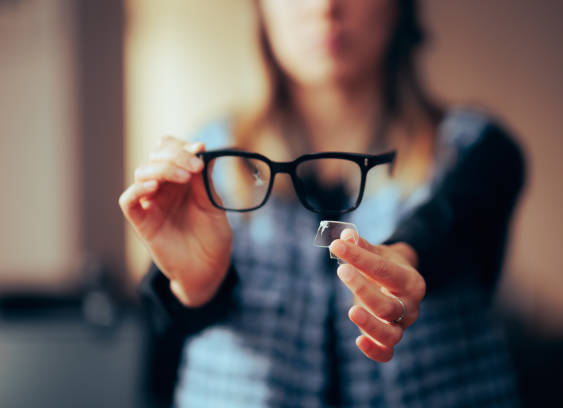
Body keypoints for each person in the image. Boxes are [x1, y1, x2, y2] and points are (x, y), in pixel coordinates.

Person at [119, 0, 525, 406]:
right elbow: (159, 356)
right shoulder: (208, 160)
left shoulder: (472, 150)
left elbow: (455, 219)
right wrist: (195, 289)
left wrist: (404, 256)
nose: (325, 7)